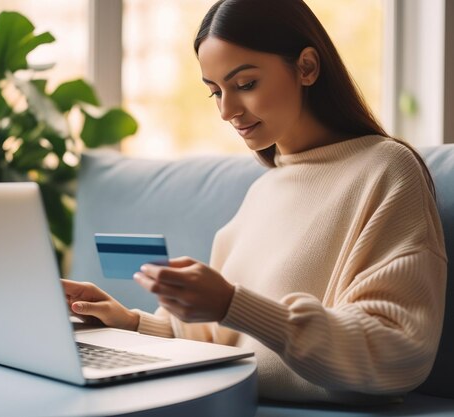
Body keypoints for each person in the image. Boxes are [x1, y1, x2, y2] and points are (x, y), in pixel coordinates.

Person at [62, 0, 447, 404]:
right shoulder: (264, 190)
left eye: (245, 84)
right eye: (215, 92)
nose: (227, 110)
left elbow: (398, 353)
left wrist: (233, 303)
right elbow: (220, 337)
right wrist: (128, 321)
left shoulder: (386, 169)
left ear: (307, 67)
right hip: (222, 399)